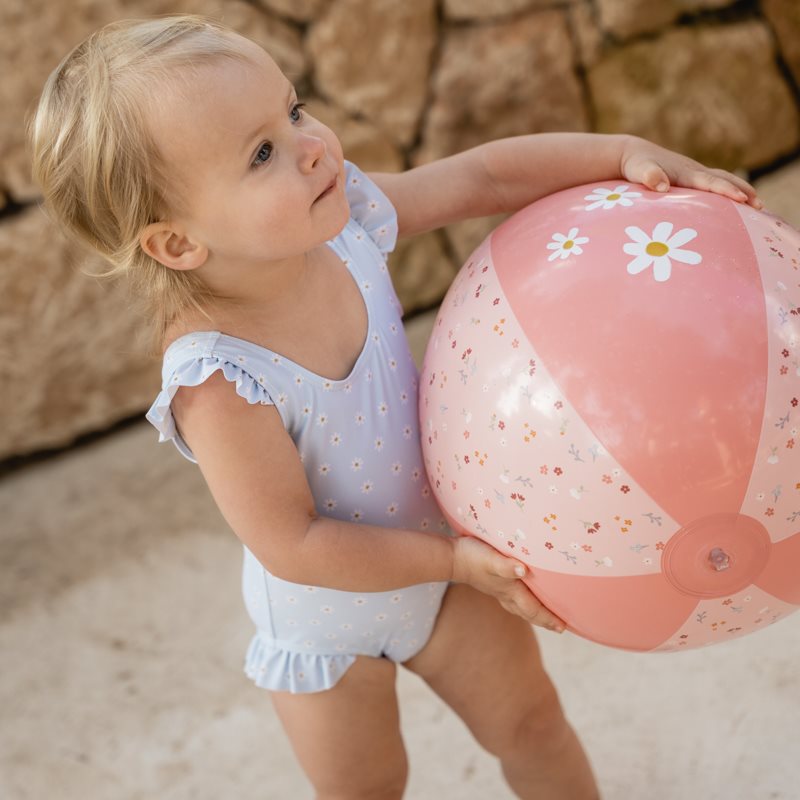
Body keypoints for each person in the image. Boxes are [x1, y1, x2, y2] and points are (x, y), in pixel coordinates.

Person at [29, 15, 762, 799]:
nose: (313, 146)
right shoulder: (219, 379)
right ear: (177, 244)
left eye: (296, 109)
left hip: (446, 577)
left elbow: (481, 178)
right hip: (331, 625)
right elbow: (295, 543)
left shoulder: (341, 230)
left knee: (534, 726)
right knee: (369, 788)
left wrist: (616, 154)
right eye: (262, 153)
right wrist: (451, 561)